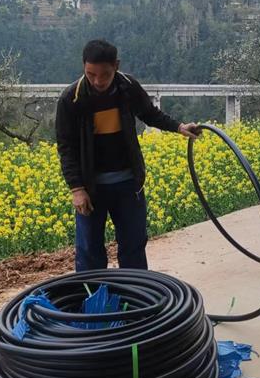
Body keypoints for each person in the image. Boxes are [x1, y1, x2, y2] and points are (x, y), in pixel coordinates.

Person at [55, 39, 201, 271]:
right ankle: (94, 294)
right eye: (91, 74)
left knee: (133, 247)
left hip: (128, 184)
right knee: (89, 252)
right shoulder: (71, 99)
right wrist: (77, 189)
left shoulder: (128, 87)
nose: (98, 81)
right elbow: (66, 147)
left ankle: (135, 293)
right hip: (91, 189)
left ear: (116, 65)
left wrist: (179, 127)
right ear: (83, 67)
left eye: (105, 74)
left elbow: (150, 114)